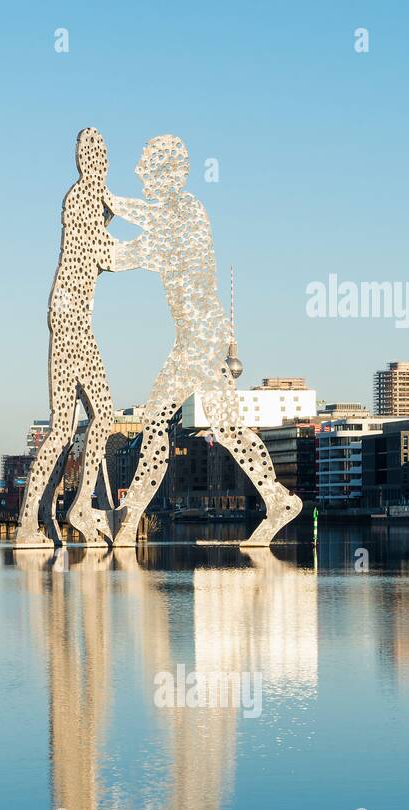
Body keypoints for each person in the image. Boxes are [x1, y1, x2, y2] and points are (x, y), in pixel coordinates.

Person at [108, 135, 301, 547]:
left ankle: (129, 520)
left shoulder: (186, 211)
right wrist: (108, 210)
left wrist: (105, 204)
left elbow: (127, 252)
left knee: (160, 422)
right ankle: (277, 498)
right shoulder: (171, 220)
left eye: (149, 168)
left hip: (201, 338)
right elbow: (136, 242)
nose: (142, 174)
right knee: (220, 428)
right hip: (198, 338)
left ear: (170, 174)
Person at [15, 128, 139, 548]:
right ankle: (79, 506)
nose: (100, 162)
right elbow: (107, 254)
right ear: (88, 161)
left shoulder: (84, 196)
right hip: (72, 320)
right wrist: (155, 249)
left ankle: (37, 521)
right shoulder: (84, 196)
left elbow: (108, 229)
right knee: (101, 415)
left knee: (64, 427)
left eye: (102, 155)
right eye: (96, 155)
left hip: (67, 315)